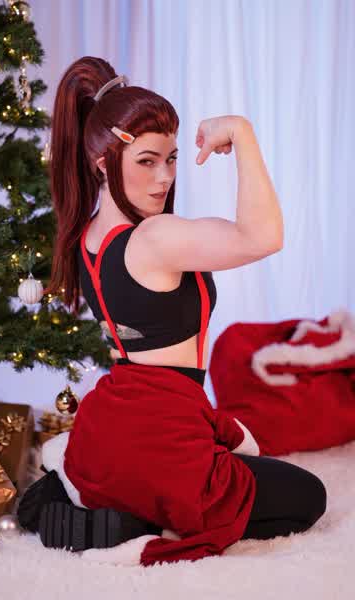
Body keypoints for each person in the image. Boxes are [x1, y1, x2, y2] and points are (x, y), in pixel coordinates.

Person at [17, 56, 326, 566]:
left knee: (242, 465)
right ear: (103, 162)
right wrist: (242, 132)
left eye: (172, 158)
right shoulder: (155, 237)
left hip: (112, 422)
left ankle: (89, 488)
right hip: (159, 435)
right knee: (307, 496)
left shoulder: (86, 235)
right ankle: (138, 521)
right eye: (147, 161)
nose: (164, 177)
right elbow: (264, 236)